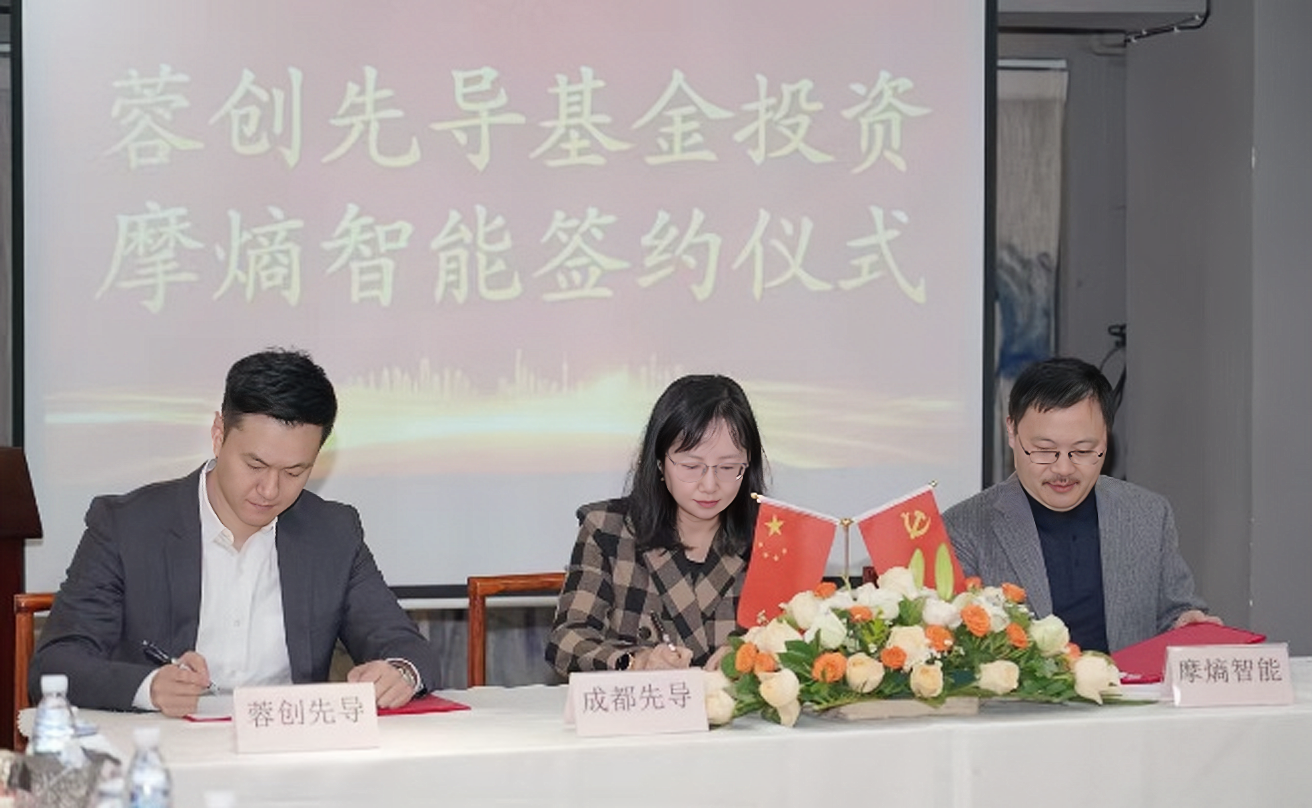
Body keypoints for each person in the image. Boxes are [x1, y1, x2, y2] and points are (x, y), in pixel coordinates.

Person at [31, 349, 438, 716]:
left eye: (294, 472)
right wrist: (149, 688)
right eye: (255, 465)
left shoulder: (332, 533)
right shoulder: (128, 526)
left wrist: (400, 672)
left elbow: (406, 647)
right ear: (218, 435)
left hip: (287, 751)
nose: (270, 489)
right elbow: (55, 665)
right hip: (166, 749)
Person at [943, 357, 1218, 653]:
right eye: (1044, 450)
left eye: (1083, 451)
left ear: (1106, 438)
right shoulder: (964, 528)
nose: (1063, 469)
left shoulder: (1147, 514)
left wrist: (1186, 624)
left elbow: (1174, 611)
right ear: (1012, 432)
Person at [546, 375, 767, 676]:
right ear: (660, 463)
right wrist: (636, 662)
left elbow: (802, 643)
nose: (710, 484)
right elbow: (567, 641)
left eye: (728, 467)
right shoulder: (608, 529)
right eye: (691, 466)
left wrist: (754, 652)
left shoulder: (772, 539)